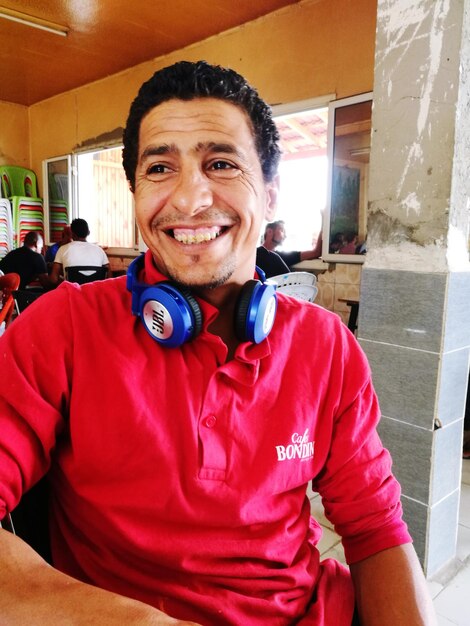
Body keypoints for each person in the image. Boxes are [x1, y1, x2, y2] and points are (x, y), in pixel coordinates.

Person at [0, 60, 437, 625]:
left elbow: (376, 530)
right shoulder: (62, 327)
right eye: (160, 167)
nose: (189, 200)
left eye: (222, 163)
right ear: (136, 194)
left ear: (272, 195)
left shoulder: (326, 345)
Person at [49, 218, 110, 283]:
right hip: (94, 292)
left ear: (72, 234)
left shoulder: (63, 249)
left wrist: (65, 280)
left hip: (72, 292)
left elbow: (54, 279)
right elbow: (109, 278)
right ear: (88, 232)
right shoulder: (100, 250)